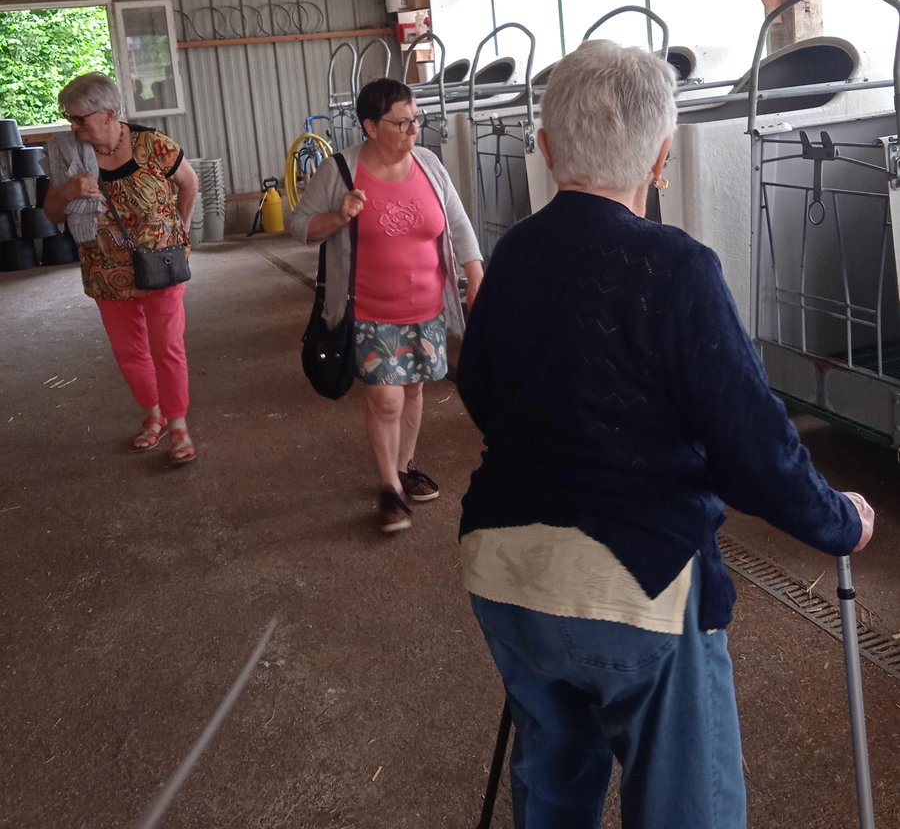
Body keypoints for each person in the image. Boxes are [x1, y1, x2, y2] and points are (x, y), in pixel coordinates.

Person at [456, 40, 874, 829]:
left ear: (543, 152)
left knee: (550, 789)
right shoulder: (676, 266)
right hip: (633, 583)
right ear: (663, 156)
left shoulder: (511, 257)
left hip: (503, 570)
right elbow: (752, 444)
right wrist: (837, 519)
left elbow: (481, 391)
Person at [291, 77, 484, 533]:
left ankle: (405, 465)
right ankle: (389, 489)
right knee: (387, 398)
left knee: (414, 390)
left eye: (416, 120)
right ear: (371, 127)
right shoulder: (341, 171)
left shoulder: (430, 165)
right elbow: (299, 227)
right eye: (403, 123)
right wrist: (339, 216)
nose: (413, 130)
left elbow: (458, 223)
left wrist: (475, 276)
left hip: (427, 308)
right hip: (371, 313)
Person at [43, 73, 200, 466]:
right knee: (130, 352)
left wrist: (180, 232)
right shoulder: (71, 155)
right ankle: (154, 413)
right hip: (105, 272)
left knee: (167, 347)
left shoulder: (153, 144)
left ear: (109, 113)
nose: (73, 126)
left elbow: (189, 184)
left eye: (80, 118)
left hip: (161, 265)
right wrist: (68, 192)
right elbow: (50, 212)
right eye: (69, 117)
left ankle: (178, 425)